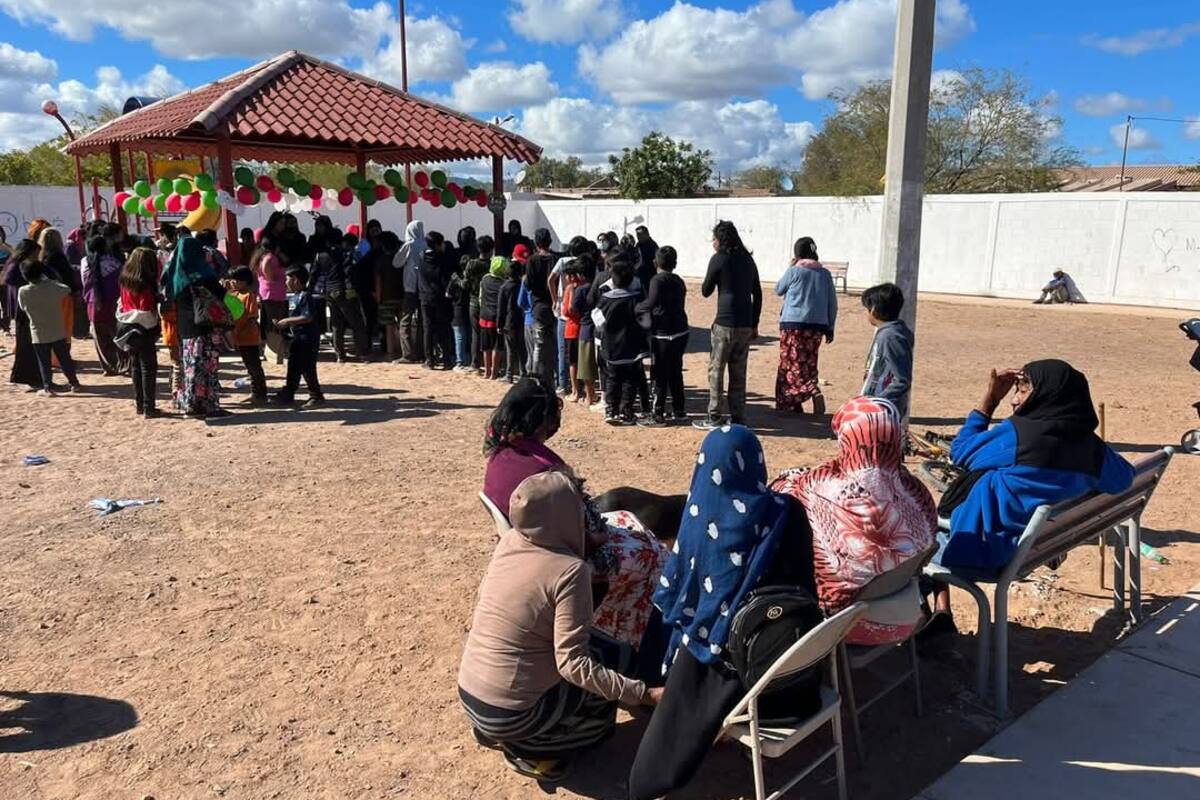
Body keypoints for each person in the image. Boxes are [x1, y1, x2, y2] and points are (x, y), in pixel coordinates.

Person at [628, 425, 818, 800]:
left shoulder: (700, 515)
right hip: (795, 664)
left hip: (736, 670)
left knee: (669, 631)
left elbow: (681, 592)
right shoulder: (787, 511)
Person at [459, 470, 660, 783]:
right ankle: (537, 750)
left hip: (472, 696)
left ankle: (507, 732)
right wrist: (643, 693)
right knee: (610, 666)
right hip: (510, 714)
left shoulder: (511, 541)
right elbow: (573, 665)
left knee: (601, 647)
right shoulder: (569, 571)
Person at [927, 360, 1135, 631]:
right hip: (1035, 548)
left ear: (1045, 396)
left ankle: (933, 616)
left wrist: (990, 400)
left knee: (906, 545)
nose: (1014, 401)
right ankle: (939, 615)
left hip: (983, 552)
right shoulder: (1092, 449)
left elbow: (961, 452)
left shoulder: (1020, 435)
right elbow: (1125, 478)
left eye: (1023, 391)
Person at [773, 396, 937, 643]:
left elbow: (779, 492)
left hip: (842, 625)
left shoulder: (815, 491)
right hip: (904, 614)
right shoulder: (917, 495)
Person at [695, 220, 762, 430]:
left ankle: (714, 416)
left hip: (724, 321)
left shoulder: (719, 259)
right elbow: (757, 292)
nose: (712, 242)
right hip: (744, 322)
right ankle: (738, 416)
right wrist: (754, 323)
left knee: (716, 370)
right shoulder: (747, 260)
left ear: (720, 240)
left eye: (714, 238)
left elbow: (706, 290)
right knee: (738, 371)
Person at [164, 237, 229, 419]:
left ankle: (191, 406)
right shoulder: (202, 275)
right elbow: (221, 295)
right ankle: (210, 407)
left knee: (191, 369)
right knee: (208, 368)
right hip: (205, 328)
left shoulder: (176, 278)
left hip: (185, 331)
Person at [774, 236, 837, 415]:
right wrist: (830, 327)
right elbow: (832, 302)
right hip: (817, 327)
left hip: (792, 325)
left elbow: (779, 289)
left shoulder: (794, 271)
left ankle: (807, 392)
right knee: (808, 363)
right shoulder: (824, 274)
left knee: (789, 364)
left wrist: (791, 266)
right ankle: (799, 400)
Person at [636, 245, 689, 426]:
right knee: (675, 372)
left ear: (655, 262)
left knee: (659, 374)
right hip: (681, 331)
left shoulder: (657, 280)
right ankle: (679, 410)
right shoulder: (679, 280)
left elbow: (651, 302)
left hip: (663, 335)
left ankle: (658, 414)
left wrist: (635, 308)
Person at [596, 255, 650, 426]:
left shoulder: (606, 298)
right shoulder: (636, 298)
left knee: (612, 377)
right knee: (630, 380)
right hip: (632, 347)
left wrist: (606, 330)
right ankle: (627, 411)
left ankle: (611, 410)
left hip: (612, 347)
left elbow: (597, 319)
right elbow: (646, 321)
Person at [16, 259, 80, 396]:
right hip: (57, 329)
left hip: (38, 332)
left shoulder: (23, 291)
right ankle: (74, 383)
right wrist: (48, 280)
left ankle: (47, 386)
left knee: (44, 362)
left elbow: (22, 307)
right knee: (65, 359)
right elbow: (66, 289)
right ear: (42, 273)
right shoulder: (52, 287)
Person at [116, 247, 162, 417]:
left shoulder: (125, 280)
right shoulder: (145, 283)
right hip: (144, 328)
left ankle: (140, 405)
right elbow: (146, 306)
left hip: (128, 327)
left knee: (135, 366)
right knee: (148, 368)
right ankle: (149, 407)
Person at [272, 265, 325, 409]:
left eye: (287, 280)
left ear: (295, 280)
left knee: (308, 368)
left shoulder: (305, 296)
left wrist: (288, 321)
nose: (285, 283)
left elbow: (308, 317)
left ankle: (316, 396)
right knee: (293, 366)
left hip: (307, 338)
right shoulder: (293, 297)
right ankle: (289, 393)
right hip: (297, 338)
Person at [860, 282, 913, 418]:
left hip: (884, 409)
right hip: (879, 404)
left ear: (874, 310)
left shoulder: (890, 336)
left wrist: (879, 400)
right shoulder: (892, 331)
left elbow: (901, 379)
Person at [81, 234, 128, 375]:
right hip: (114, 302)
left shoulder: (85, 262)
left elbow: (84, 283)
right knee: (118, 335)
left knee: (100, 339)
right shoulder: (114, 263)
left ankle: (108, 367)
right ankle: (124, 365)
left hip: (93, 304)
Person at [224, 267, 268, 405]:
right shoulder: (233, 295)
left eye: (236, 280)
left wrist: (237, 330)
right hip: (240, 337)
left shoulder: (249, 295)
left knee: (254, 366)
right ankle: (256, 393)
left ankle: (259, 394)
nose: (233, 282)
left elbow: (251, 317)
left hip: (249, 336)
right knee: (250, 366)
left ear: (245, 282)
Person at [550, 237, 587, 396]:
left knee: (563, 352)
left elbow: (551, 279)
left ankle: (564, 384)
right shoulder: (585, 263)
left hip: (564, 312)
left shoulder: (563, 261)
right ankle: (580, 386)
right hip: (581, 315)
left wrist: (554, 300)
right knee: (580, 353)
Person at [37, 228, 81, 358]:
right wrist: (75, 292)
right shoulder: (58, 257)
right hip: (62, 296)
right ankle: (62, 357)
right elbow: (67, 277)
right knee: (64, 327)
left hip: (46, 295)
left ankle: (52, 357)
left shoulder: (41, 256)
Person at [524, 228, 559, 387]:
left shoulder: (532, 261)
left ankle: (536, 377)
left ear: (536, 243)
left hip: (538, 306)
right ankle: (554, 378)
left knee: (539, 345)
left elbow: (529, 284)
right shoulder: (556, 259)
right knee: (553, 344)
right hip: (554, 304)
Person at [418, 230, 456, 370]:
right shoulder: (442, 259)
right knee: (443, 328)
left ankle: (429, 360)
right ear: (438, 244)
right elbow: (446, 278)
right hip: (440, 297)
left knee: (428, 329)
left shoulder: (421, 257)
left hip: (425, 297)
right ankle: (446, 359)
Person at [252, 238, 289, 364]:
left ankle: (272, 349)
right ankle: (275, 349)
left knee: (268, 322)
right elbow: (270, 277)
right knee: (275, 322)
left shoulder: (260, 257)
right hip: (274, 293)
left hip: (266, 293)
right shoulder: (270, 258)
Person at [570, 257, 599, 408]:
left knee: (586, 366)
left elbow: (573, 309)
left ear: (580, 274)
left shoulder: (580, 289)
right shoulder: (597, 285)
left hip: (586, 327)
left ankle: (590, 395)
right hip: (598, 328)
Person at [478, 240, 507, 380]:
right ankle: (495, 373)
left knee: (486, 347)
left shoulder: (484, 279)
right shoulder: (504, 283)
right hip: (497, 319)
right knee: (497, 346)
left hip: (484, 316)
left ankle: (486, 372)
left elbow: (480, 297)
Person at [496, 249, 527, 384]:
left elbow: (501, 308)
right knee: (522, 348)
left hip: (509, 321)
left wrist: (499, 324)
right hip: (522, 319)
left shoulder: (504, 287)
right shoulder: (522, 285)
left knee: (510, 349)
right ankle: (523, 372)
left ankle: (509, 374)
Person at [374, 231, 406, 360]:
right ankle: (405, 351)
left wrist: (378, 296)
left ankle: (390, 351)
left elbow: (378, 280)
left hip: (386, 297)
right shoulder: (400, 259)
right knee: (403, 325)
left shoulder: (380, 261)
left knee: (389, 326)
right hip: (402, 294)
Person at [397, 220, 425, 363]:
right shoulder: (425, 244)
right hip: (423, 287)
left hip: (409, 287)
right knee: (422, 321)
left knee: (405, 321)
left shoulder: (408, 245)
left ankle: (407, 354)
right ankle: (422, 351)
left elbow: (396, 263)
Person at [633, 225, 658, 290]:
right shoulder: (639, 244)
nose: (638, 236)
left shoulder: (652, 246)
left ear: (646, 234)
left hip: (649, 275)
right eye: (637, 234)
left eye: (640, 234)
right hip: (640, 275)